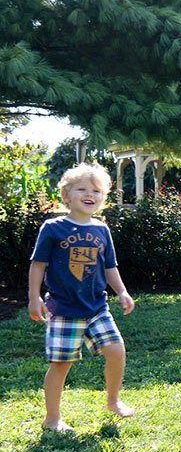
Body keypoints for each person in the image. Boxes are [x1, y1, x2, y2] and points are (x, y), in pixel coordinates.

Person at [28, 163, 136, 432]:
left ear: (103, 198)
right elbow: (38, 265)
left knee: (116, 351)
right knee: (61, 364)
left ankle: (113, 401)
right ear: (66, 195)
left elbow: (110, 267)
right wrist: (34, 297)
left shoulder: (102, 230)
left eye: (96, 191)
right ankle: (52, 418)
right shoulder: (53, 228)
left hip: (97, 307)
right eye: (82, 189)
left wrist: (122, 291)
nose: (90, 194)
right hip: (63, 309)